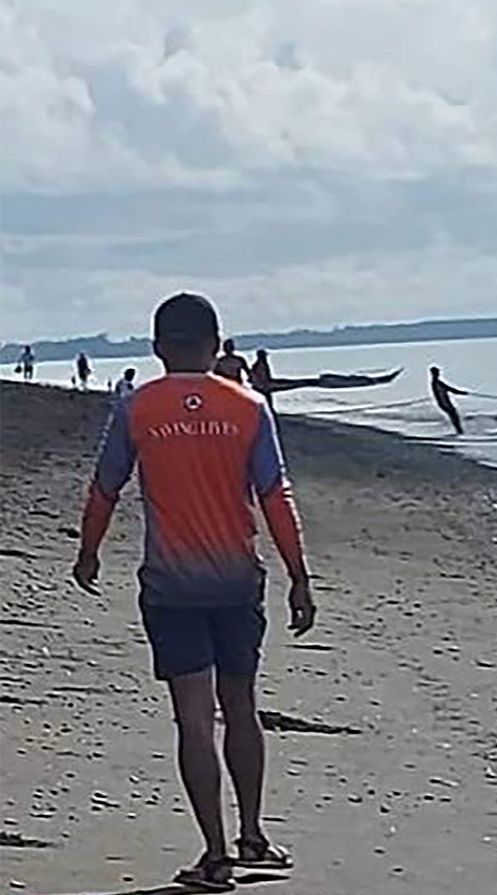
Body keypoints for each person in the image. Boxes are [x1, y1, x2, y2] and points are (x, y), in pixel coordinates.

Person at [72, 292, 313, 891]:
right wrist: (299, 575)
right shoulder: (250, 407)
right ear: (216, 343)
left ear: (158, 348)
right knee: (241, 708)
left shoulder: (136, 409)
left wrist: (89, 551)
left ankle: (215, 854)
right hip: (237, 581)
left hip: (172, 586)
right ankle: (252, 834)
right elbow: (275, 495)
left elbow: (105, 487)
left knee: (194, 719)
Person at [429, 366, 468, 435]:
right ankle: (459, 432)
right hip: (444, 403)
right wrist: (461, 392)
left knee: (454, 416)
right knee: (454, 415)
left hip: (445, 402)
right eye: (437, 373)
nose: (438, 374)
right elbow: (451, 389)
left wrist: (461, 392)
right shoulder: (436, 383)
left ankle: (459, 431)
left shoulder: (437, 382)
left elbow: (450, 389)